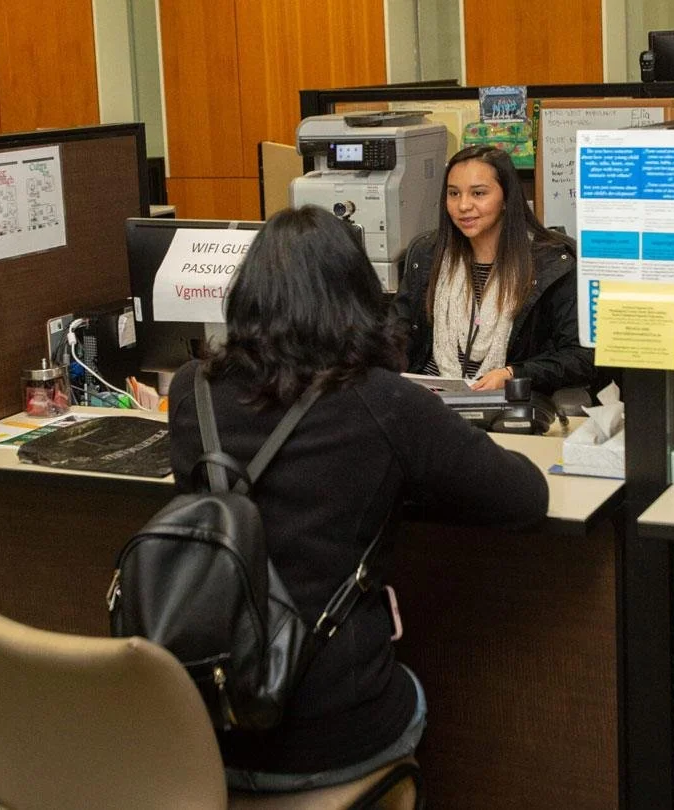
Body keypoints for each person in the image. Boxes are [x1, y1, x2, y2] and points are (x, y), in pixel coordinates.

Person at [168, 205, 549, 792]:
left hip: (201, 725)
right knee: (432, 698)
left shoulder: (190, 390)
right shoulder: (386, 401)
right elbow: (524, 499)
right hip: (332, 729)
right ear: (357, 297)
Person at [392, 144, 596, 396]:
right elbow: (397, 334)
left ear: (506, 199)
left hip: (507, 402)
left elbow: (582, 356)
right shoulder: (427, 255)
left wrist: (514, 375)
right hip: (429, 400)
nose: (463, 205)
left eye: (478, 193)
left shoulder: (552, 263)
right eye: (454, 194)